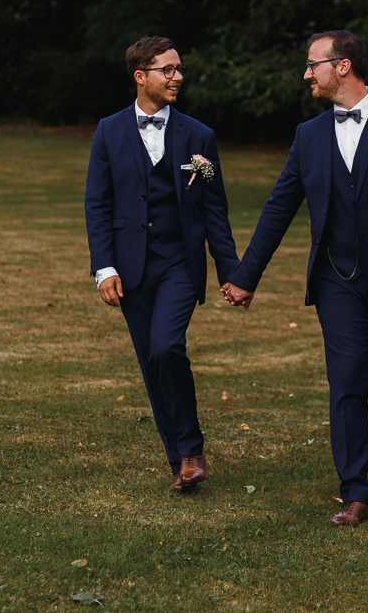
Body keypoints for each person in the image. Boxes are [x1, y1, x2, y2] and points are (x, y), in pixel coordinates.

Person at [222, 30, 368, 526]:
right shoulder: (309, 135)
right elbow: (280, 207)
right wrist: (246, 275)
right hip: (334, 280)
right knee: (346, 380)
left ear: (342, 66)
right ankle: (355, 491)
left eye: (312, 64)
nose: (306, 73)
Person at [85, 36, 240, 492]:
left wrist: (231, 271)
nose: (177, 77)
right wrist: (104, 268)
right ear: (141, 76)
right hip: (130, 270)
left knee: (166, 348)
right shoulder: (109, 130)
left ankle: (191, 449)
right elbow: (98, 204)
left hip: (179, 262)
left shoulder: (198, 136)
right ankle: (180, 462)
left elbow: (215, 210)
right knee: (150, 363)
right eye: (167, 70)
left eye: (178, 69)